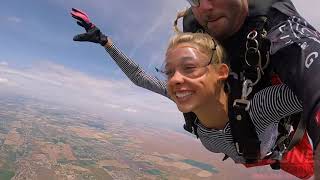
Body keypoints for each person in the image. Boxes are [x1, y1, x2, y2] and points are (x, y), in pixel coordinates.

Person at [70, 3, 319, 177]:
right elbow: (140, 77)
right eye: (169, 71)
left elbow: (311, 87)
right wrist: (105, 42)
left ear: (221, 72)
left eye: (189, 68)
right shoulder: (187, 99)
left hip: (277, 154)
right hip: (253, 154)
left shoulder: (259, 107)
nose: (176, 80)